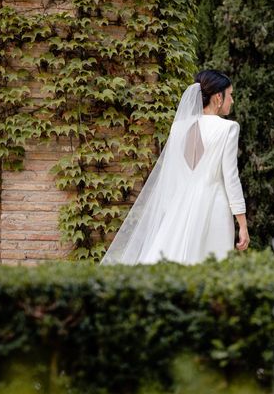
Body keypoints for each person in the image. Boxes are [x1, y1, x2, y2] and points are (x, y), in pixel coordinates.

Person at [101, 70, 249, 265]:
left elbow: (174, 175)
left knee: (172, 261)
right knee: (211, 267)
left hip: (180, 206)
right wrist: (243, 224)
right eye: (231, 95)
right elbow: (231, 178)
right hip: (214, 208)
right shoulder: (228, 128)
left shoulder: (179, 127)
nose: (233, 100)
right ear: (218, 98)